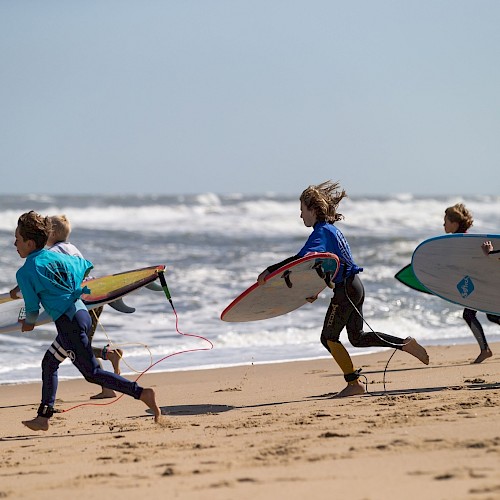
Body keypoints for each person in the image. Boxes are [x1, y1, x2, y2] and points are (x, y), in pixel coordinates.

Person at [257, 181, 429, 398]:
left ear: (312, 209)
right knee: (356, 337)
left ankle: (354, 383)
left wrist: (270, 271)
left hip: (345, 290)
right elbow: (326, 265)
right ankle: (404, 344)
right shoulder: (331, 230)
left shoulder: (320, 232)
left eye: (302, 210)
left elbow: (302, 260)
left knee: (328, 337)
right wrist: (315, 290)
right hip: (355, 286)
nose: (301, 216)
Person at [14, 211, 160, 431]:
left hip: (68, 324)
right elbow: (84, 265)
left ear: (30, 242)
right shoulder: (59, 257)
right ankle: (43, 417)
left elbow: (32, 308)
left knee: (92, 374)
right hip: (80, 313)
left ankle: (142, 393)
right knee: (50, 363)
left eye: (17, 239)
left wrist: (28, 323)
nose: (14, 243)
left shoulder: (25, 272)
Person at [46, 214, 123, 399]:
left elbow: (57, 278)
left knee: (79, 348)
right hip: (93, 296)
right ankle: (108, 365)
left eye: (44, 229)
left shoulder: (53, 253)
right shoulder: (73, 248)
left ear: (53, 232)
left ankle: (109, 373)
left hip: (79, 302)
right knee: (82, 345)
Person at [444, 203, 499, 364]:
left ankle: (485, 350)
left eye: (445, 220)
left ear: (454, 223)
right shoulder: (463, 240)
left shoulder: (463, 241)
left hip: (479, 283)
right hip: (479, 283)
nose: (443, 224)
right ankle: (484, 349)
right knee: (492, 315)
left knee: (469, 314)